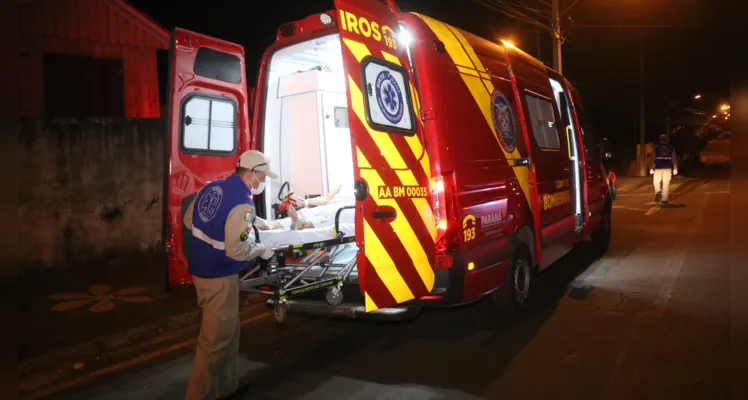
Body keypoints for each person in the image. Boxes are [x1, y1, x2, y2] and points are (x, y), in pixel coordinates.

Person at [182, 150, 278, 400]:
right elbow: (237, 249)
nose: (263, 182)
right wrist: (262, 250)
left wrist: (212, 237)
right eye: (262, 176)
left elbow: (188, 219)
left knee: (229, 332)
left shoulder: (213, 188)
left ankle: (227, 386)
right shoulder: (243, 203)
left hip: (202, 270)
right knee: (214, 342)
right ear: (252, 174)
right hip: (218, 277)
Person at [649, 134, 678, 204]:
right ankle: (664, 199)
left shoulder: (656, 148)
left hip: (658, 167)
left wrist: (651, 168)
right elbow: (674, 159)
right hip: (668, 168)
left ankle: (658, 192)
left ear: (660, 140)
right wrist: (675, 168)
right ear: (666, 140)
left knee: (656, 181)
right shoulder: (671, 148)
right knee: (666, 183)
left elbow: (652, 158)